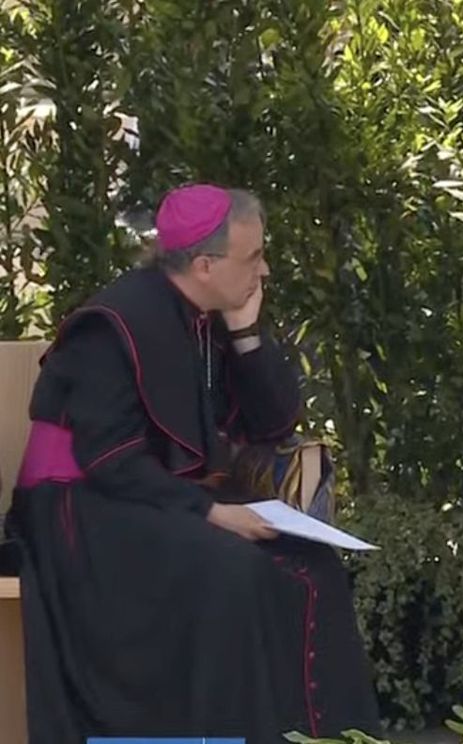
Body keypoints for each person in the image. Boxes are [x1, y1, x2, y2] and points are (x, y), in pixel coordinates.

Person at [4, 184, 379, 742]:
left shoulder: (207, 317)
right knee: (233, 570)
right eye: (253, 257)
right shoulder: (113, 324)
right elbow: (109, 459)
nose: (266, 270)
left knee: (311, 565)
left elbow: (273, 425)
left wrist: (247, 334)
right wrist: (210, 513)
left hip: (149, 499)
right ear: (205, 264)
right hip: (80, 512)